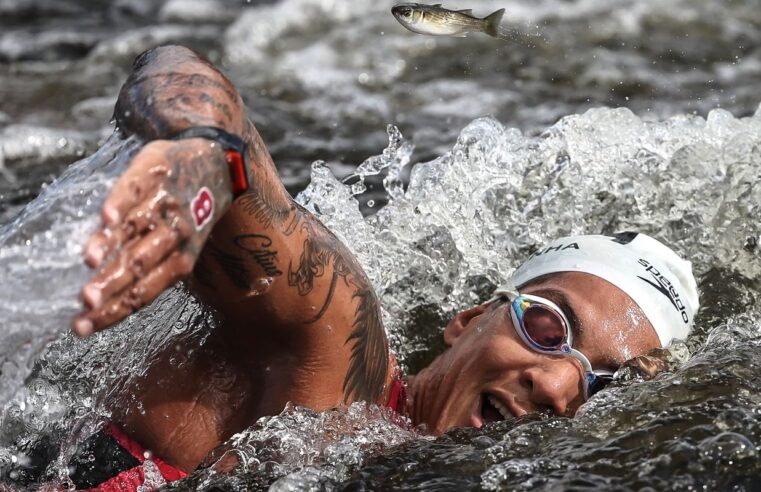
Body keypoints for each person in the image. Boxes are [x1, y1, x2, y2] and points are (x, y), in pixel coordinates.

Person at [68, 45, 699, 489]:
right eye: (548, 327)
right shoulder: (334, 355)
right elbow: (188, 76)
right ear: (469, 318)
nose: (560, 388)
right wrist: (196, 145)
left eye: (602, 385)